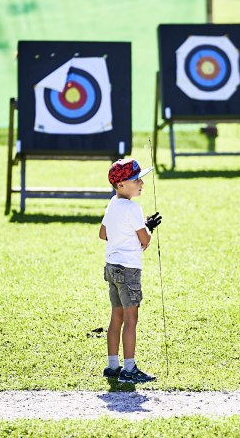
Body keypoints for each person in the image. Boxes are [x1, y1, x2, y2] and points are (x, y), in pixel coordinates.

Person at [99, 158, 162, 384]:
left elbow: (103, 233)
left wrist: (138, 226)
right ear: (121, 185)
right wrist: (148, 229)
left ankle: (113, 366)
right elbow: (143, 241)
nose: (141, 183)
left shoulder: (112, 203)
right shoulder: (133, 207)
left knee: (116, 316)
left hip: (111, 268)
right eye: (136, 180)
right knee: (131, 319)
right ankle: (129, 369)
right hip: (129, 271)